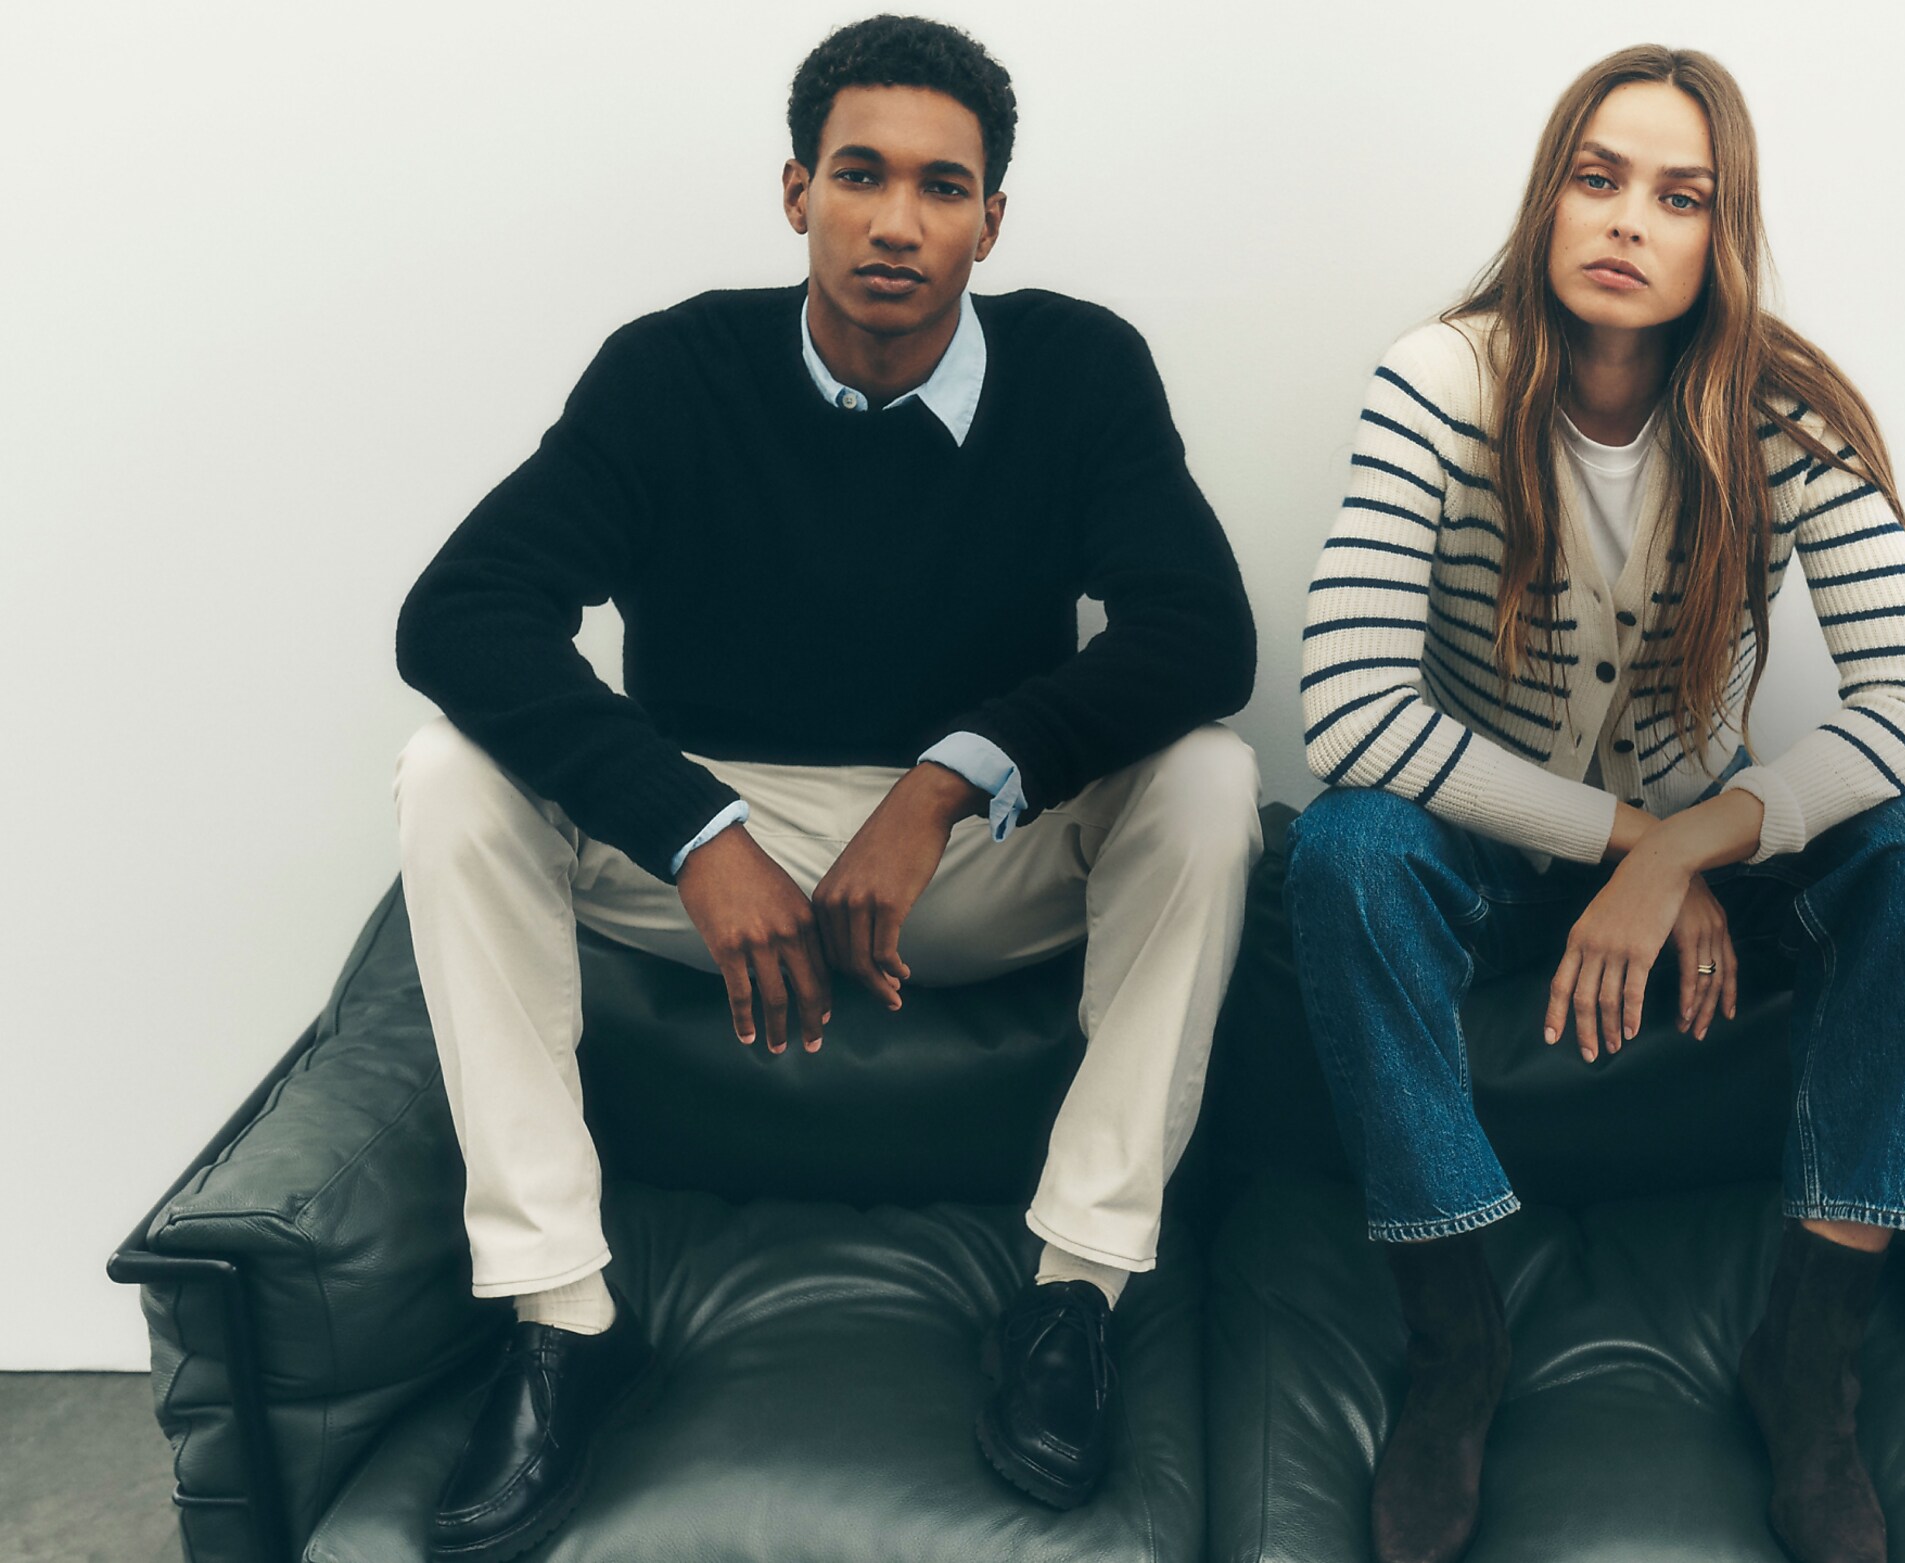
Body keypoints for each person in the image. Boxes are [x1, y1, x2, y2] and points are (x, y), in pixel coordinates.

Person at [391, 14, 1261, 1556]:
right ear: (797, 192)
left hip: (960, 861)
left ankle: (1072, 1294)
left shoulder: (1079, 370)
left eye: (941, 187)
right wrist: (692, 829)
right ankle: (563, 1315)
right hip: (708, 841)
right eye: (861, 176)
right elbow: (458, 616)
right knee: (449, 770)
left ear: (992, 220)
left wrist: (943, 785)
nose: (896, 222)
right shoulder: (671, 371)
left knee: (1207, 780)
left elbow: (1202, 636)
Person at [1285, 44, 1905, 1563]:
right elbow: (1346, 705)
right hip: (1489, 857)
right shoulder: (1443, 379)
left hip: (1705, 846)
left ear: (1723, 236)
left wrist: (1692, 850)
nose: (1627, 220)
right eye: (1598, 179)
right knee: (1342, 850)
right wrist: (1630, 848)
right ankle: (1456, 1340)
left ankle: (1811, 1358)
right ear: (1549, 199)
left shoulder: (1781, 410)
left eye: (1681, 197)